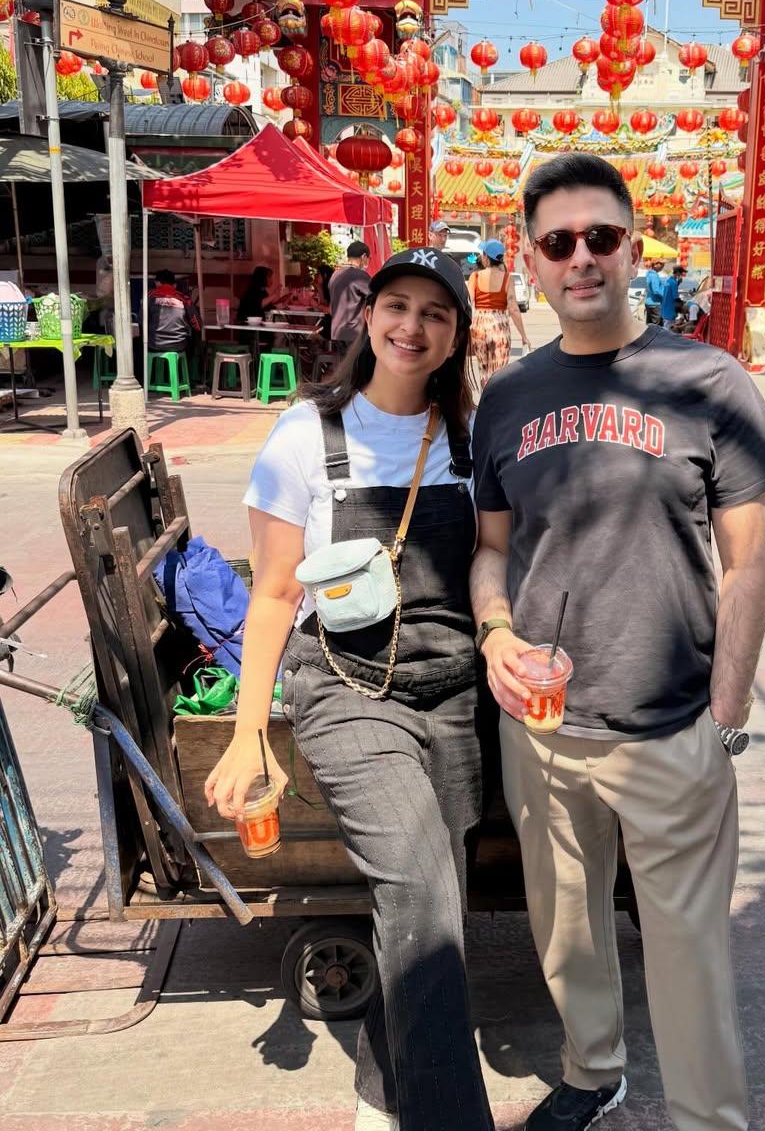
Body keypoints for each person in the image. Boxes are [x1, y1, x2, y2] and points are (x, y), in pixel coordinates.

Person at [469, 152, 765, 1131]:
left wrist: (726, 720)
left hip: (671, 726)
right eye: (558, 242)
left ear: (633, 247)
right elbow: (492, 548)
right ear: (531, 261)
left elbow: (749, 562)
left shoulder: (709, 380)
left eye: (600, 237)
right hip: (543, 726)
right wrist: (493, 634)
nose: (581, 258)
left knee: (689, 952)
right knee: (565, 931)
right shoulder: (507, 396)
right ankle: (592, 1069)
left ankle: (710, 1118)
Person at [205, 248, 494, 1131]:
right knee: (422, 892)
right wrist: (251, 730)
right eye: (396, 306)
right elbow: (274, 594)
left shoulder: (471, 439)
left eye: (436, 315)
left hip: (451, 689)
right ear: (367, 319)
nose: (413, 326)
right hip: (344, 687)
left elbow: (496, 555)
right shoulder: (305, 435)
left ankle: (382, 1091)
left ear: (455, 339)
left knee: (428, 896)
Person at [468, 238, 530, 386]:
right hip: (500, 326)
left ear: (485, 257)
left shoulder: (475, 277)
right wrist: (523, 336)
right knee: (499, 375)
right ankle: (496, 406)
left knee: (484, 373)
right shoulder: (507, 279)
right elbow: (513, 308)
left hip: (479, 327)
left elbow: (469, 304)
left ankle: (486, 404)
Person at [328, 241, 372, 348]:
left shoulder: (335, 275)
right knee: (357, 363)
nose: (367, 262)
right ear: (363, 256)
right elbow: (374, 297)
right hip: (354, 333)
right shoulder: (360, 275)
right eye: (368, 259)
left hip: (336, 332)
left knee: (343, 363)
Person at [146, 268, 200, 353]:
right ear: (174, 285)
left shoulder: (150, 296)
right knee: (194, 340)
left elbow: (142, 322)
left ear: (157, 283)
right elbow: (197, 325)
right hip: (178, 346)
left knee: (137, 342)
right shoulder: (185, 299)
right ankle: (186, 365)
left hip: (154, 345)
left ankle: (147, 366)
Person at [659, 263, 684, 330]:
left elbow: (670, 290)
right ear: (678, 272)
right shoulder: (674, 283)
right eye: (681, 273)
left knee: (666, 324)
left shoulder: (668, 280)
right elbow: (675, 296)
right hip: (670, 307)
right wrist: (681, 303)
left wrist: (678, 282)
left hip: (665, 306)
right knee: (669, 327)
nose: (681, 274)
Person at [643, 258, 665, 325]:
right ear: (655, 265)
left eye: (663, 264)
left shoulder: (650, 274)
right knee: (657, 326)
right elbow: (656, 291)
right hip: (655, 303)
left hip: (650, 302)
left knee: (650, 325)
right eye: (661, 264)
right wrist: (665, 296)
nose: (663, 266)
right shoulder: (654, 275)